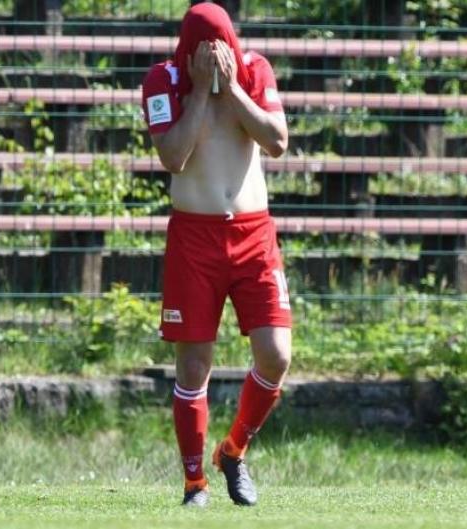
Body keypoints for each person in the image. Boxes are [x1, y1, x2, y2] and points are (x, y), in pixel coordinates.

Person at [140, 2, 291, 508]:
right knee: (193, 366)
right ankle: (193, 484)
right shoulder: (163, 80)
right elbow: (173, 156)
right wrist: (202, 91)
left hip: (253, 235)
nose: (212, 56)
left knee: (277, 354)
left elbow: (277, 141)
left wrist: (235, 93)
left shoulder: (256, 69)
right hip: (194, 238)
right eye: (201, 51)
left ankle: (233, 451)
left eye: (220, 46)